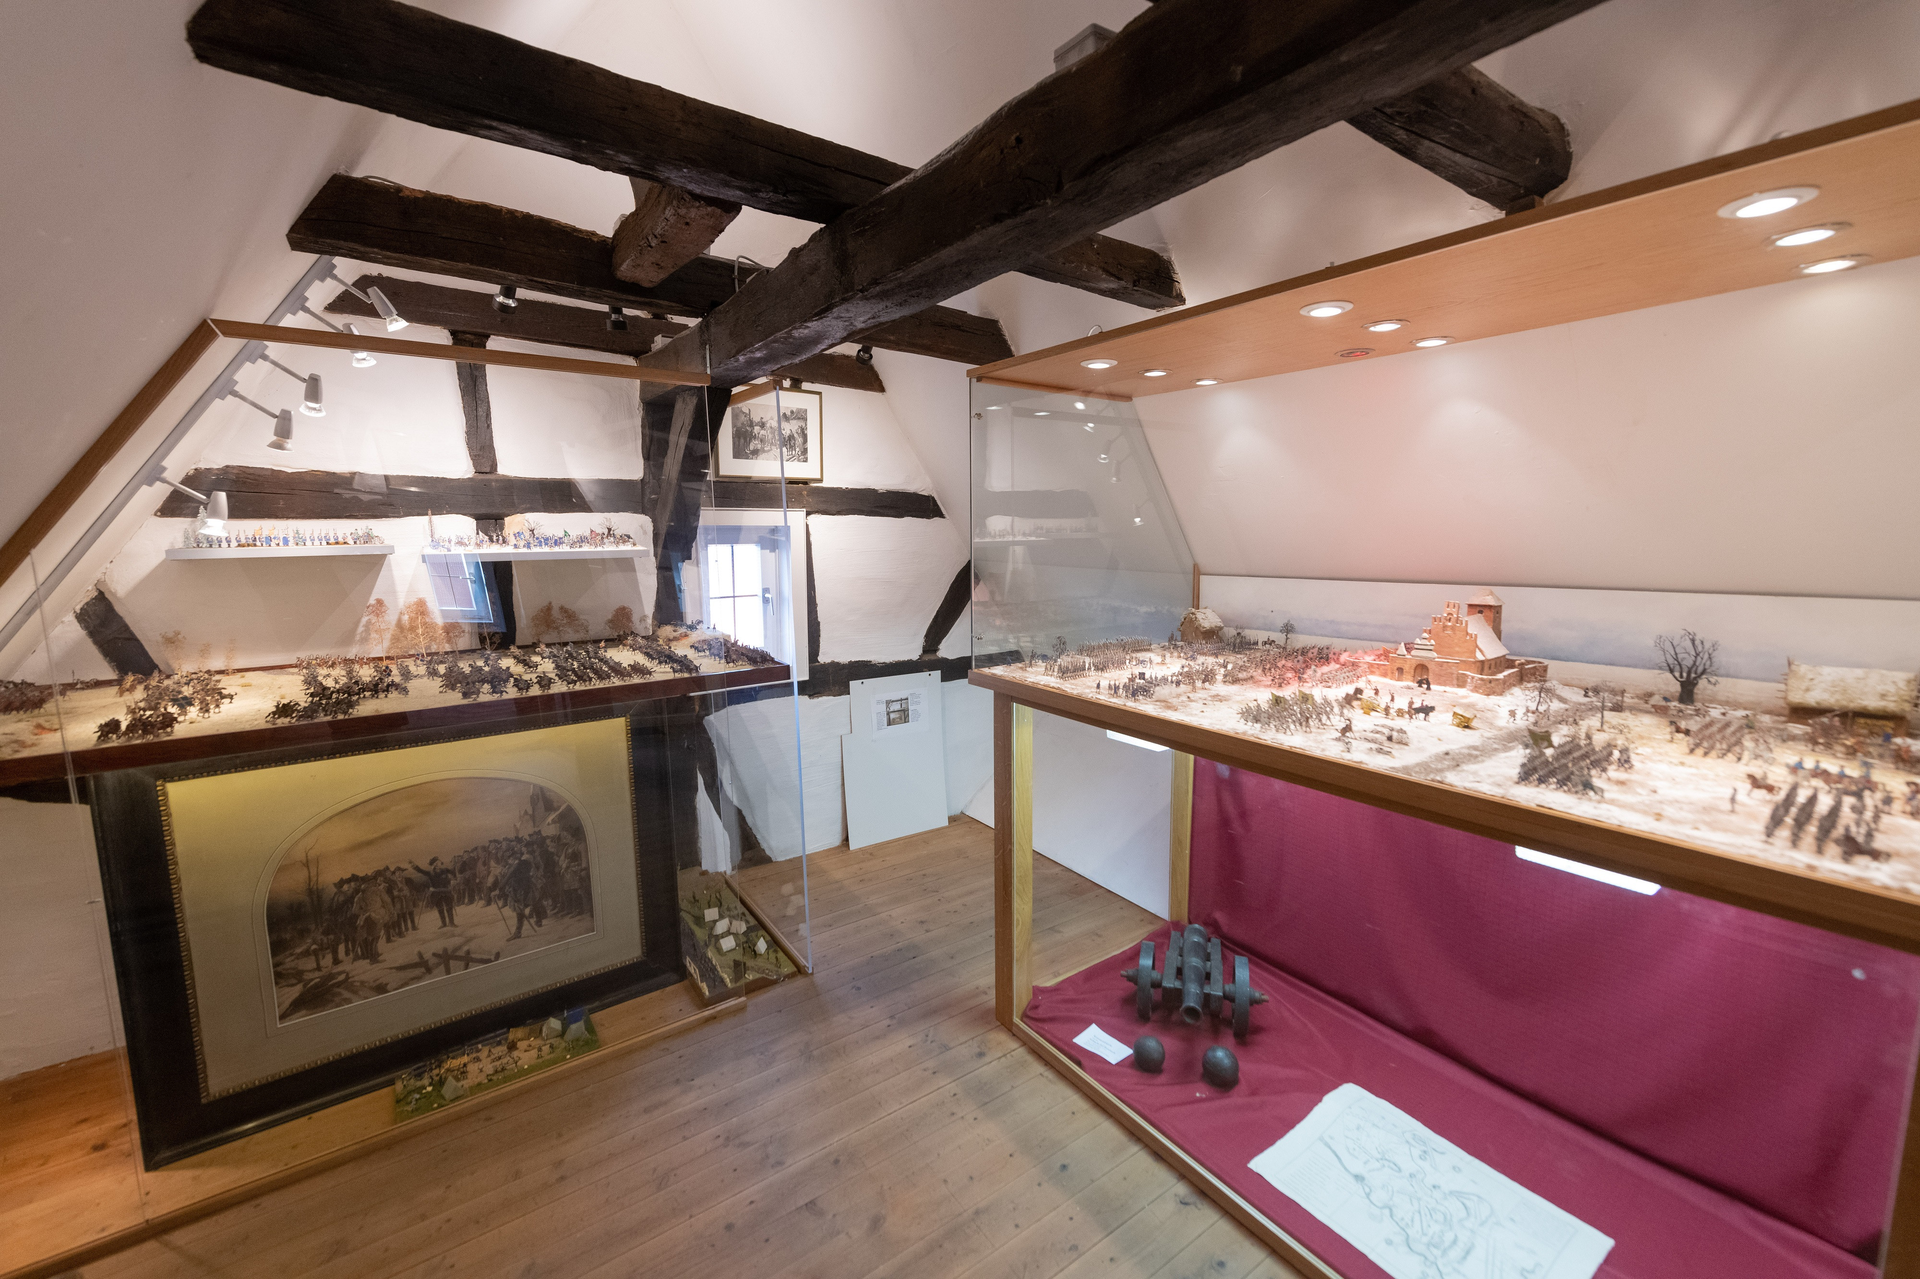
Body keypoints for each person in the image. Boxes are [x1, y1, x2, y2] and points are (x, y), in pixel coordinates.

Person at [411, 858, 458, 929]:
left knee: (449, 907)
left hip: (446, 891)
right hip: (436, 893)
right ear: (433, 865)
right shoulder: (430, 873)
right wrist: (414, 866)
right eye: (435, 864)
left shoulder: (445, 870)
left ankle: (451, 923)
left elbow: (454, 872)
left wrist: (453, 880)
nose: (437, 865)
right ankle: (443, 923)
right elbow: (421, 871)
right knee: (440, 908)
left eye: (438, 863)